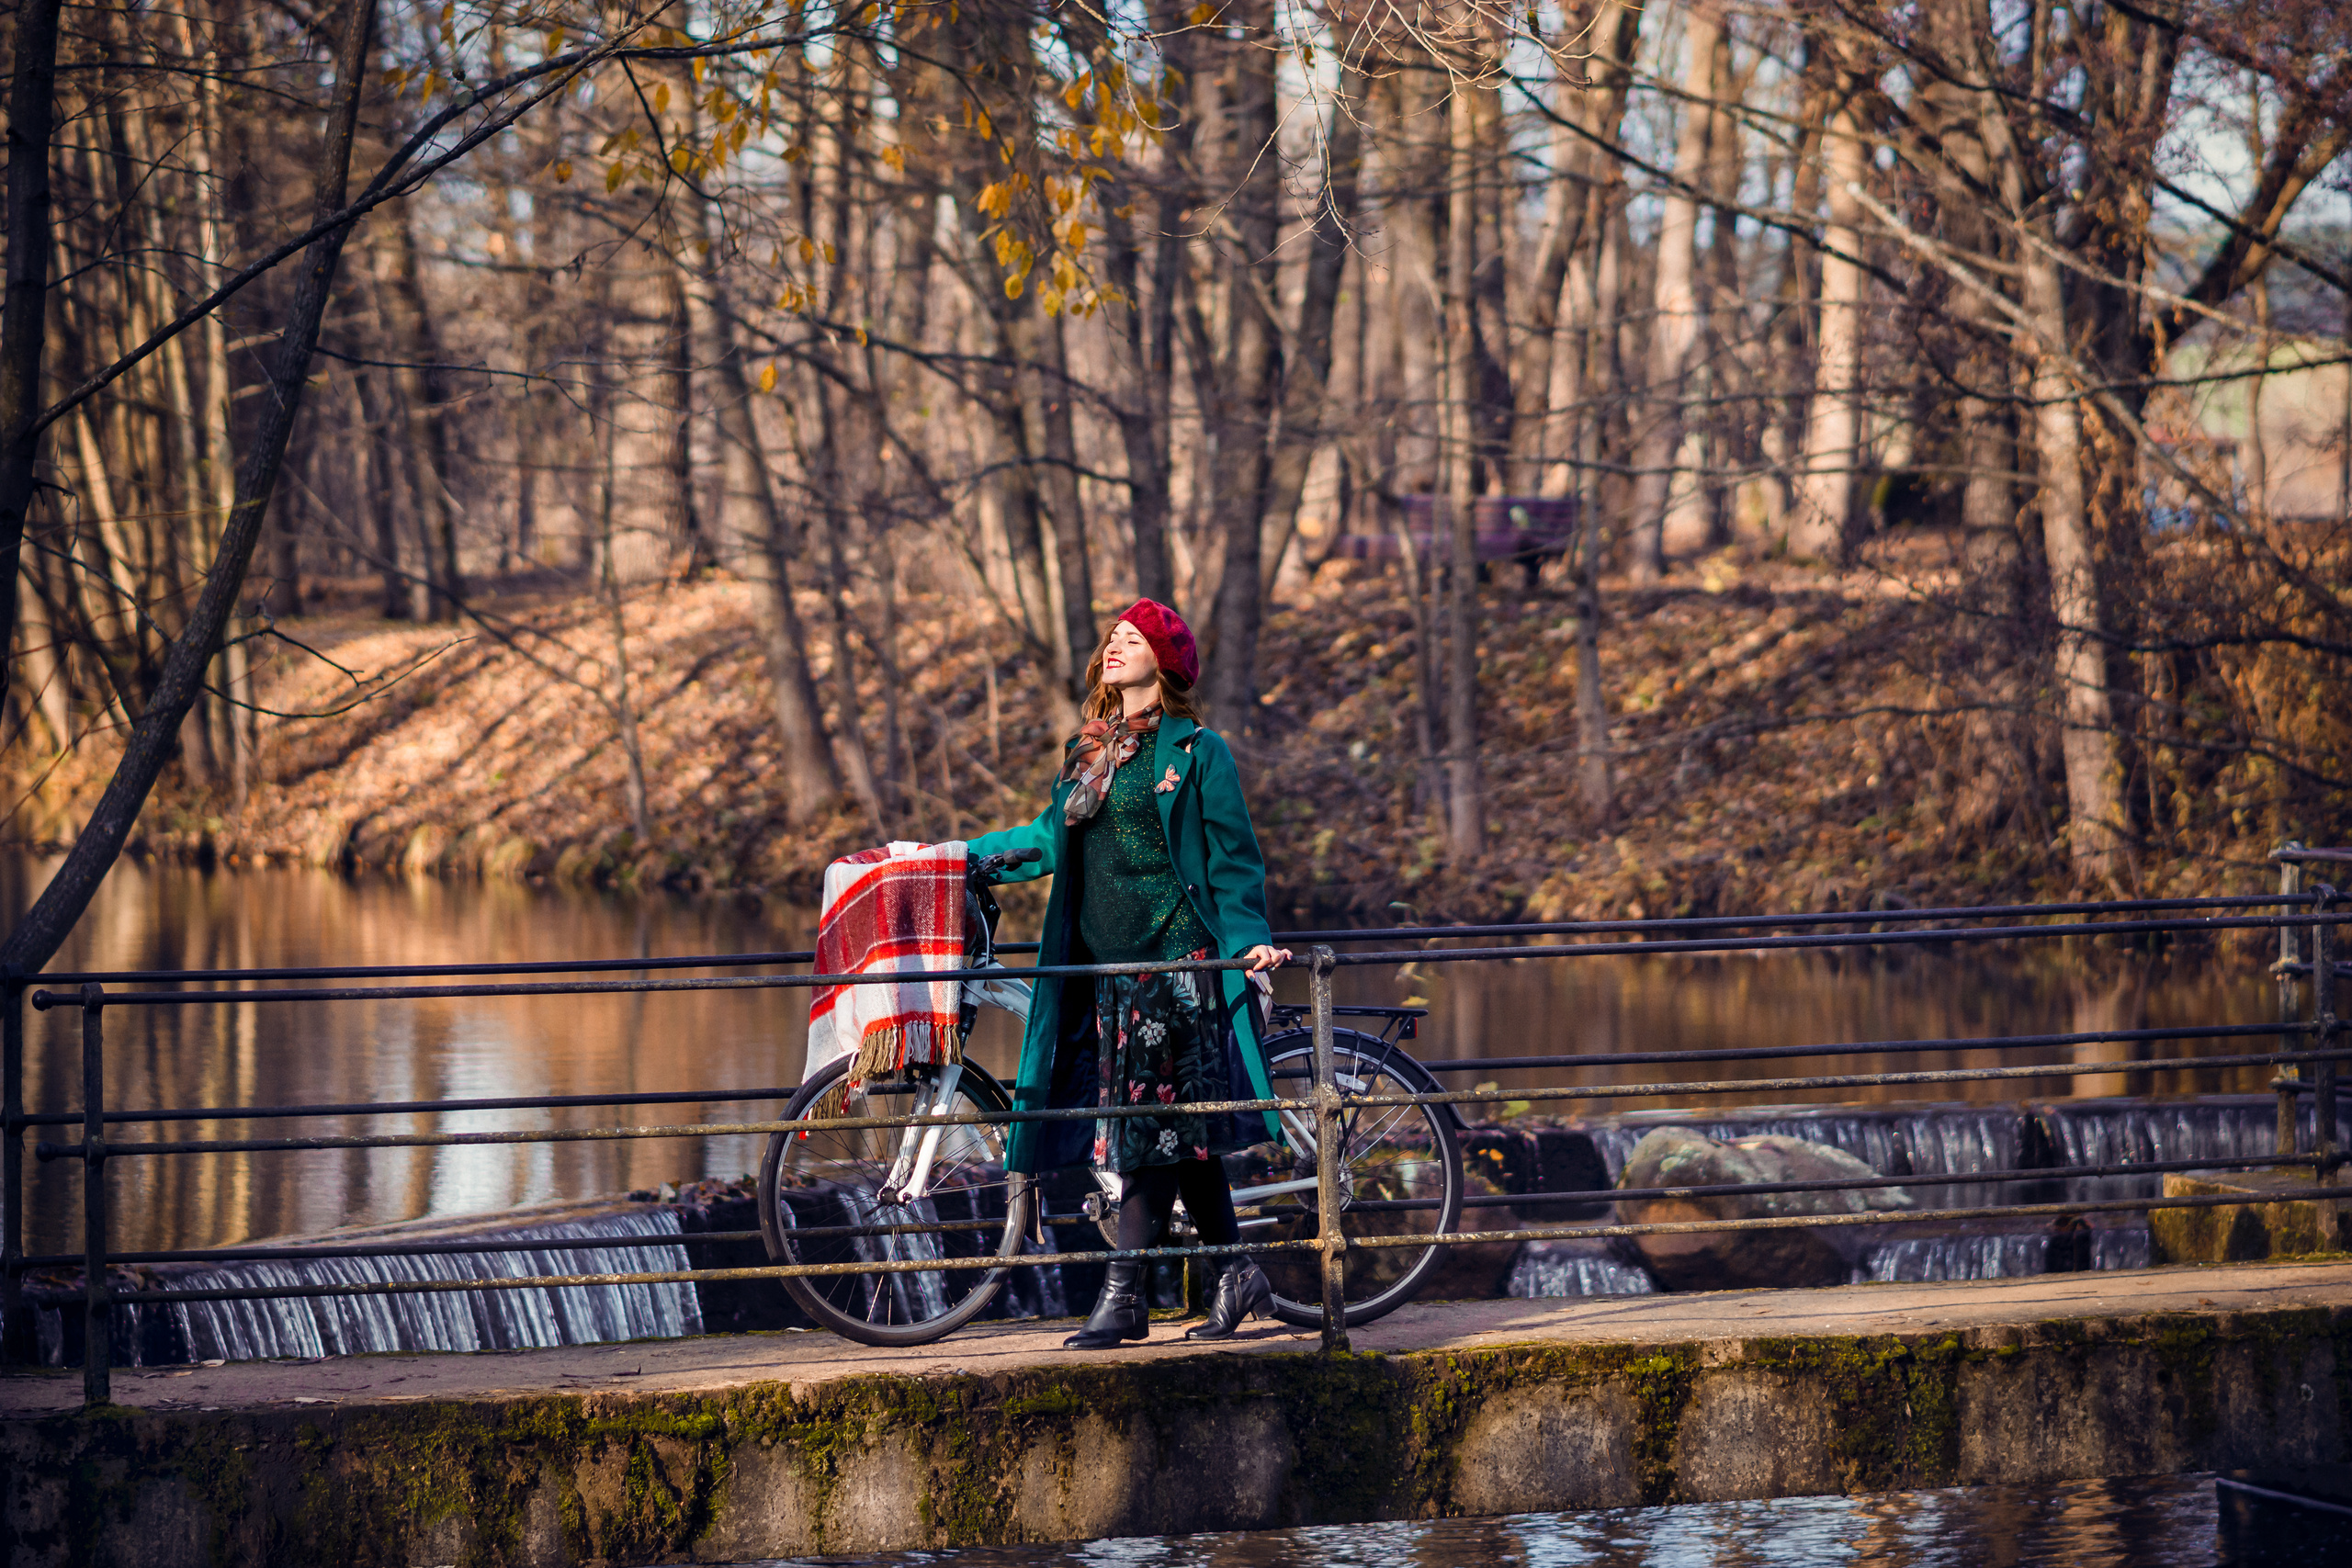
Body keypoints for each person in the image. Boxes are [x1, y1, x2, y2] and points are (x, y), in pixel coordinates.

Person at [967, 599, 1292, 1348]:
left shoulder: (1198, 751)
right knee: (1177, 1132)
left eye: (1134, 638)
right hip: (1107, 976)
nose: (1116, 646)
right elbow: (1048, 839)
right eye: (1112, 636)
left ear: (1165, 661)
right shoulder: (1088, 754)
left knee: (1149, 1131)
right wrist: (963, 854)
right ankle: (1235, 1271)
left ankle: (1124, 1299)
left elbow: (1234, 857)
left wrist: (1250, 940)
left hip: (1178, 965)